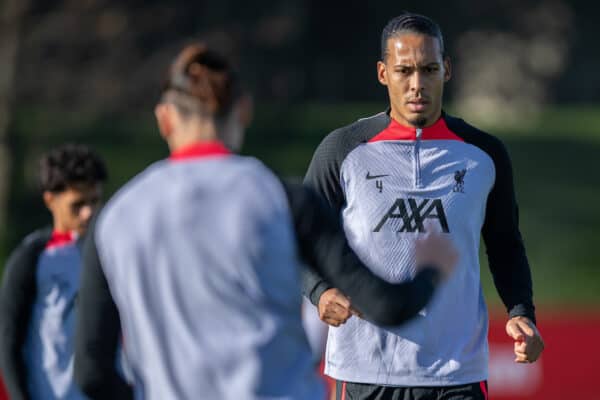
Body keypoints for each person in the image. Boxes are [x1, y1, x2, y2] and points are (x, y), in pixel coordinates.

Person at [73, 43, 458, 400]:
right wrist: (431, 267)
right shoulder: (281, 199)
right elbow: (388, 307)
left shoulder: (117, 218)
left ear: (165, 119)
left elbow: (91, 372)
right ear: (243, 110)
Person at [302, 12, 545, 400]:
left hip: (456, 373)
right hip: (366, 371)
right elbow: (300, 238)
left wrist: (521, 314)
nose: (417, 85)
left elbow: (505, 245)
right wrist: (320, 291)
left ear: (446, 70)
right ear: (383, 73)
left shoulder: (484, 154)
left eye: (429, 69)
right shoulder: (342, 151)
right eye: (404, 71)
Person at [0, 144, 107, 400]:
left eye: (94, 201)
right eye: (77, 204)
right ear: (50, 199)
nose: (88, 213)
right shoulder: (33, 258)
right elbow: (8, 342)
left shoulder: (110, 254)